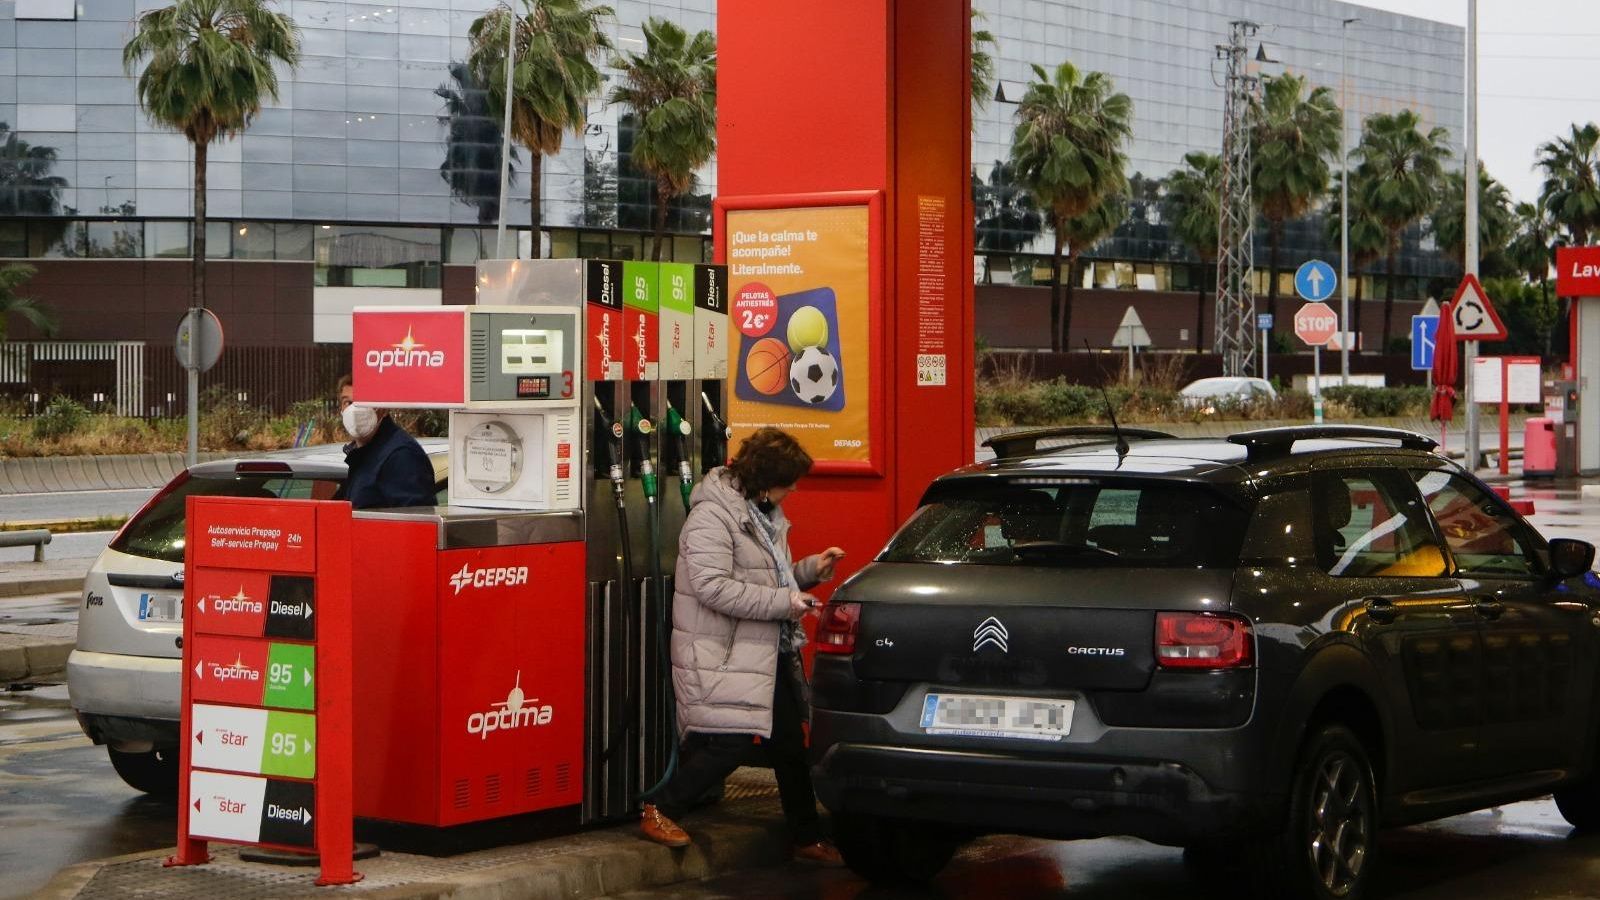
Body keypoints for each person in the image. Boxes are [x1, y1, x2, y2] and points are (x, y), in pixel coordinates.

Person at [640, 427, 847, 866]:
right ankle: (662, 806)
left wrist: (808, 571)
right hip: (723, 651)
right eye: (788, 481)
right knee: (728, 742)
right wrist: (785, 602)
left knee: (791, 743)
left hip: (763, 650)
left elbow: (767, 576)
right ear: (765, 478)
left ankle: (806, 835)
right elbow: (712, 587)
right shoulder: (712, 517)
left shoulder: (762, 512)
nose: (793, 489)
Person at [331, 374, 436, 510]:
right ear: (341, 409)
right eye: (348, 403)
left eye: (363, 402)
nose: (355, 410)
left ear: (384, 408)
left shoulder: (402, 456)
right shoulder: (364, 455)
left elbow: (417, 522)